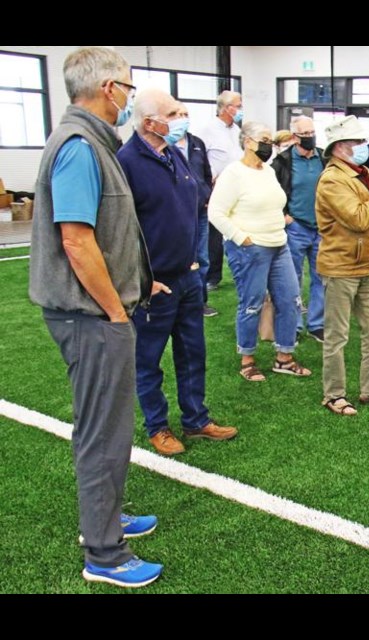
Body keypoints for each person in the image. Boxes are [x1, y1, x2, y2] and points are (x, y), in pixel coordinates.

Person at [28, 46, 163, 588]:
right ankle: (105, 553)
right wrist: (114, 310)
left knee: (106, 425)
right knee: (103, 432)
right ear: (109, 89)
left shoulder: (92, 144)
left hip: (95, 313)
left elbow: (104, 234)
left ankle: (107, 517)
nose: (131, 96)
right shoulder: (81, 147)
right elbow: (77, 240)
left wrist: (136, 282)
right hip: (89, 318)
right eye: (128, 87)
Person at [117, 87, 238, 456]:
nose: (179, 119)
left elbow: (194, 204)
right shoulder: (127, 162)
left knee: (192, 353)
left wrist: (196, 264)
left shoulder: (175, 154)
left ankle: (196, 420)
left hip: (188, 277)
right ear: (149, 121)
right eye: (172, 114)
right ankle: (158, 426)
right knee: (149, 360)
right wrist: (141, 279)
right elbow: (120, 229)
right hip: (155, 284)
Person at [208, 120, 312, 381]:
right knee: (251, 304)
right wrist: (242, 238)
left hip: (279, 245)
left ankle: (284, 357)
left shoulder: (267, 170)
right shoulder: (233, 173)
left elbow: (274, 202)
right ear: (247, 142)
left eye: (269, 140)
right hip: (250, 249)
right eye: (264, 140)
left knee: (291, 300)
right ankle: (247, 360)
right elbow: (215, 212)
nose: (268, 145)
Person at [315, 115, 369, 415]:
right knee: (337, 335)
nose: (363, 146)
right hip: (341, 267)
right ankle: (334, 395)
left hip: (367, 264)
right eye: (358, 142)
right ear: (341, 147)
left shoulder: (363, 171)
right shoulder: (331, 180)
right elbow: (359, 217)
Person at [272, 115, 326, 343]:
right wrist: (285, 217)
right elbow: (273, 191)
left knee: (321, 278)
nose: (310, 138)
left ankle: (317, 324)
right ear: (295, 137)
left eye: (312, 133)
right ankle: (293, 325)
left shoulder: (323, 157)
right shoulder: (282, 161)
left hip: (321, 228)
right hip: (295, 228)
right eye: (305, 135)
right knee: (292, 279)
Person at [194, 90, 244, 293]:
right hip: (216, 188)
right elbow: (200, 160)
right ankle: (212, 276)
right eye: (238, 106)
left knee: (237, 228)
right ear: (225, 108)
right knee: (214, 234)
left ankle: (238, 268)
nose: (240, 109)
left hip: (238, 187)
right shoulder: (207, 130)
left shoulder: (236, 130)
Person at [172, 102, 218, 318]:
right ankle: (181, 301)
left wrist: (207, 195)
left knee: (202, 256)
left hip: (199, 210)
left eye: (186, 114)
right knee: (182, 256)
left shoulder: (196, 142)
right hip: (177, 213)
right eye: (178, 114)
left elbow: (206, 173)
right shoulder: (167, 145)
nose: (183, 118)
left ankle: (200, 302)